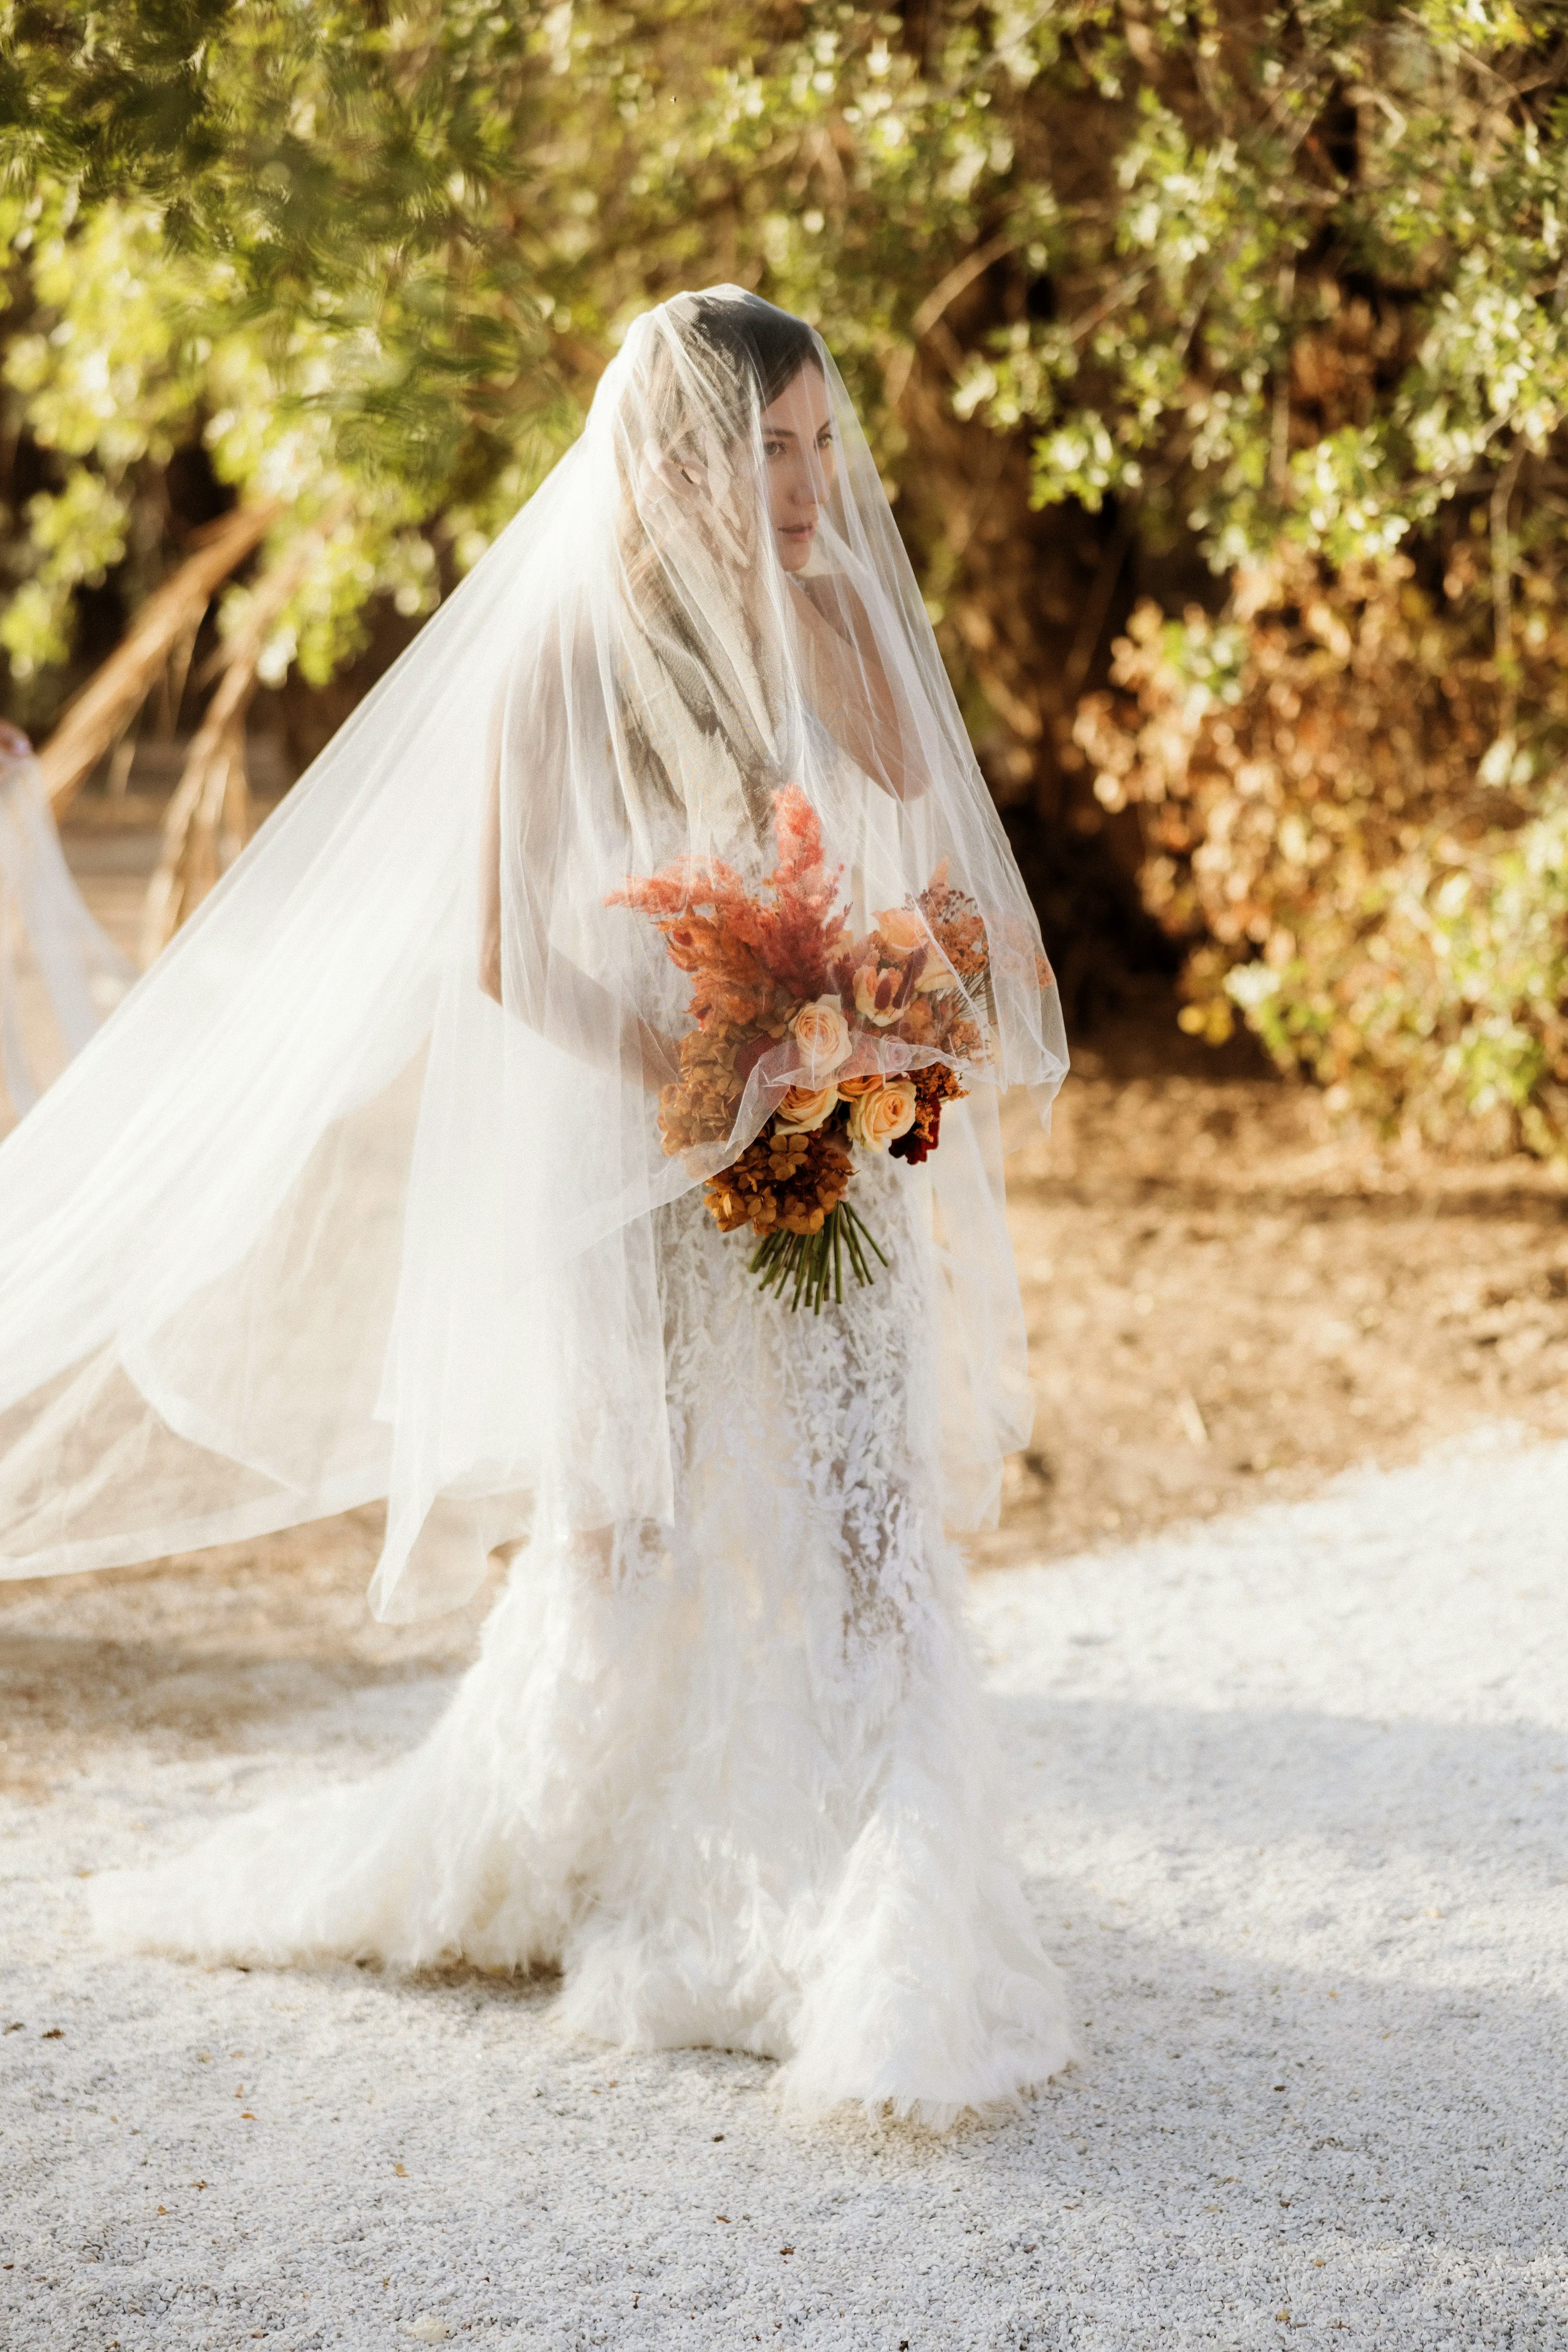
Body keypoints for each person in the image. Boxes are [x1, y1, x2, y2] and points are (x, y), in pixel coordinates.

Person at [0, 290, 1073, 2127]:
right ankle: (556, 1852)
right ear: (678, 462)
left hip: (826, 1126)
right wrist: (702, 1081)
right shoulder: (567, 648)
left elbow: (903, 778)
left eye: (826, 444)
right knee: (628, 1550)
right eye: (776, 450)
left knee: (873, 1522)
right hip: (639, 1166)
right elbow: (505, 950)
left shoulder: (809, 611)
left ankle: (903, 1903)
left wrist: (824, 1023)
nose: (813, 481)